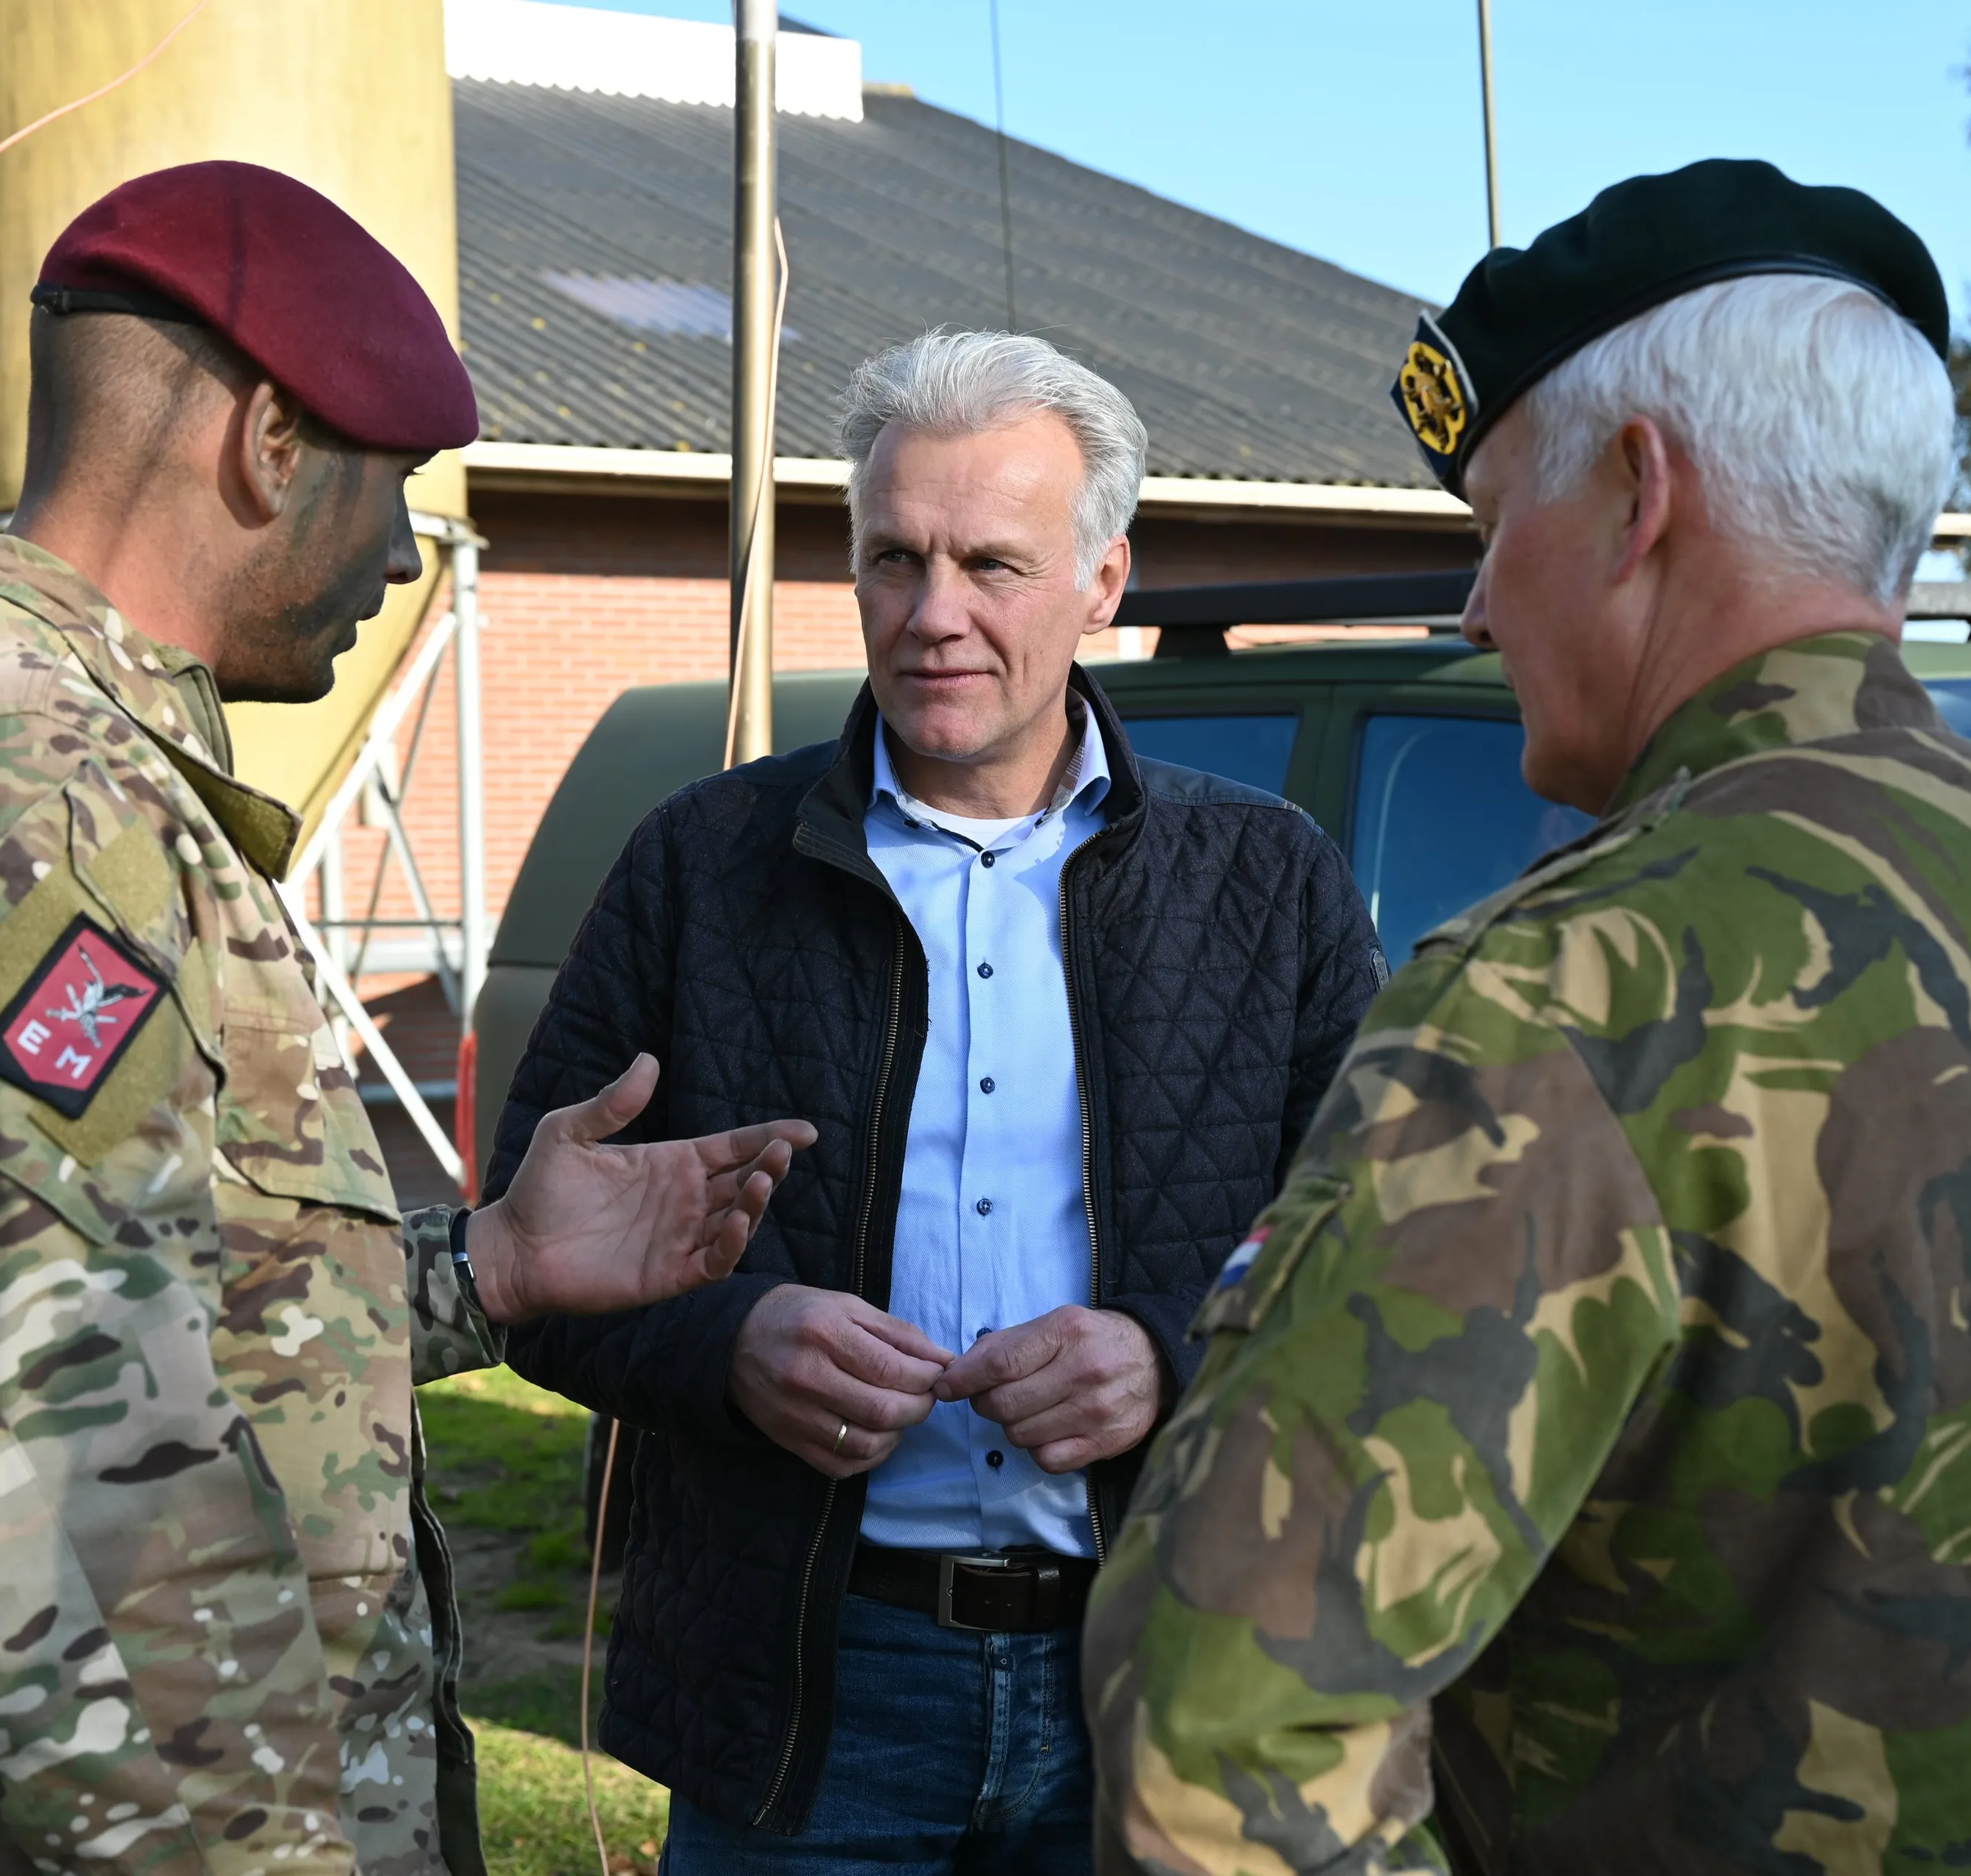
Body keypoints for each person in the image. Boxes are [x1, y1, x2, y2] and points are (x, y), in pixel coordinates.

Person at [1085, 159, 1971, 1875]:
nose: (1479, 603)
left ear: (1640, 494)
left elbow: (1219, 1741)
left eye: (1496, 524)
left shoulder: (1568, 995)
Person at [0, 160, 813, 1876]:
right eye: (394, 483)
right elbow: (50, 1503)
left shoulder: (55, 767)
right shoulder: (17, 793)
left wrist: (485, 1265)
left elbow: (157, 1294)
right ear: (270, 443)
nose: (405, 553)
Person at [485, 329, 1384, 1869]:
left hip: (1157, 1673)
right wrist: (734, 1340)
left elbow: (1379, 1250)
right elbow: (529, 1261)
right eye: (895, 558)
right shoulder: (701, 865)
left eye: (993, 562)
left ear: (1105, 580)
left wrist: (1169, 1358)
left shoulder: (1267, 878)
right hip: (809, 1694)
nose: (936, 614)